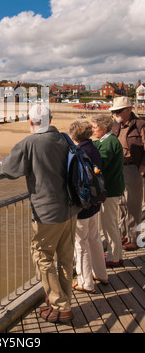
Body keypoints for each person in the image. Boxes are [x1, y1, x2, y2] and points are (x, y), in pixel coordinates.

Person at [1, 103, 81, 324]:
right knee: (65, 258)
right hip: (71, 207)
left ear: (30, 122)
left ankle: (61, 306)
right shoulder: (64, 138)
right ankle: (62, 300)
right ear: (51, 119)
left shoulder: (30, 142)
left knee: (42, 256)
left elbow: (8, 169)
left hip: (47, 211)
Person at [69, 121, 108, 293]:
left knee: (81, 243)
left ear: (73, 136)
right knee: (94, 238)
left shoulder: (78, 152)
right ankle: (101, 274)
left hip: (82, 204)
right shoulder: (94, 149)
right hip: (94, 201)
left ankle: (85, 283)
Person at [110, 96, 145, 251]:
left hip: (134, 168)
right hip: (119, 168)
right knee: (123, 204)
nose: (115, 113)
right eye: (114, 111)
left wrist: (143, 166)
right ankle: (125, 235)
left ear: (129, 110)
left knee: (133, 206)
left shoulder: (140, 125)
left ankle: (135, 239)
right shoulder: (115, 125)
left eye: (118, 111)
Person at [91, 114, 125, 267]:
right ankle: (115, 253)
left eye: (95, 127)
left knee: (109, 224)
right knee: (109, 223)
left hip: (110, 189)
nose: (93, 130)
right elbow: (97, 146)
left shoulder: (110, 142)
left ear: (104, 128)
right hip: (112, 188)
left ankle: (114, 257)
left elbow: (101, 162)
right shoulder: (107, 140)